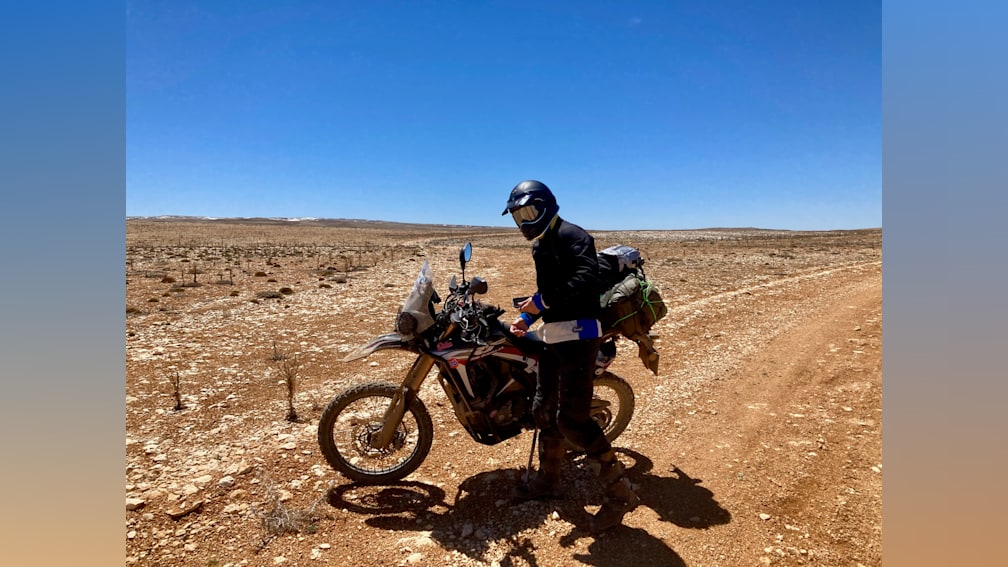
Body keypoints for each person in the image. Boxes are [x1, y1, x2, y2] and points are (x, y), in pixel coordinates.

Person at [502, 179, 640, 533]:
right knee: (543, 409)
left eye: (528, 212)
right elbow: (548, 292)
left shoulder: (573, 236)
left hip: (580, 337)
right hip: (554, 337)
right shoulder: (542, 246)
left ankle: (620, 495)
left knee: (574, 420)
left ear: (547, 206)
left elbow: (586, 280)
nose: (523, 223)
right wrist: (527, 316)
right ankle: (549, 482)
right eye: (518, 217)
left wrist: (542, 303)